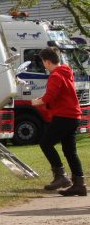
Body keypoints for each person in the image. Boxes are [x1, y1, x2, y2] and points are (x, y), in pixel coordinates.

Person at [32, 47, 85, 196]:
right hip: (73, 115)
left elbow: (50, 96)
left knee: (45, 143)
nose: (43, 65)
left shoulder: (55, 75)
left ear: (47, 62)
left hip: (63, 116)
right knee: (70, 150)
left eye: (43, 62)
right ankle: (79, 184)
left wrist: (37, 102)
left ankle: (61, 176)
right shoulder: (66, 72)